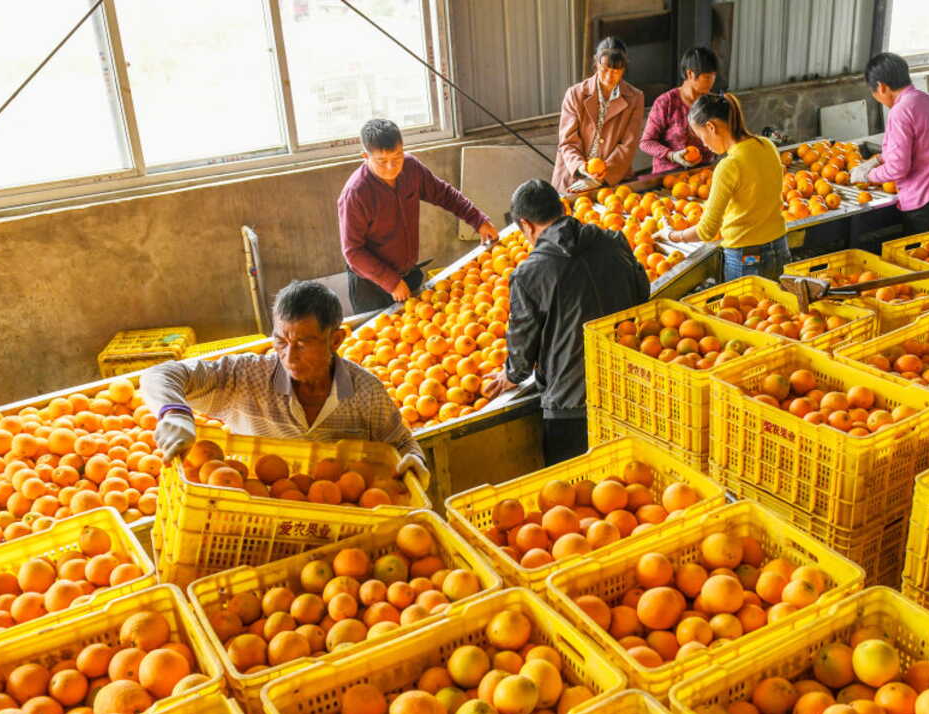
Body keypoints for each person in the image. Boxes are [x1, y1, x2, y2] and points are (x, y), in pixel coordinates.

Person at [140, 280, 428, 485]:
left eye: (303, 343)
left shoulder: (366, 392)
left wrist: (414, 462)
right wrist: (174, 413)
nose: (289, 357)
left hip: (338, 517)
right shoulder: (246, 377)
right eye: (280, 341)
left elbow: (401, 443)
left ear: (336, 340)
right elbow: (159, 375)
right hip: (255, 516)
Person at [483, 179, 648, 465]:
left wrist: (511, 375)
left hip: (572, 402)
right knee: (630, 477)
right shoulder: (614, 241)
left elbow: (523, 338)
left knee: (574, 486)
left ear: (526, 225)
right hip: (631, 385)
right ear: (563, 208)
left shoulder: (529, 273)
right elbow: (642, 293)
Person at [338, 118, 499, 313]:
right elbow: (353, 251)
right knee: (385, 330)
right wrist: (391, 281)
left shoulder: (411, 168)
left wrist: (478, 220)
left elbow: (444, 194)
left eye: (397, 156)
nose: (391, 167)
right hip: (371, 285)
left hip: (407, 273)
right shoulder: (356, 194)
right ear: (365, 156)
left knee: (418, 324)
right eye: (382, 161)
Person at [659, 93, 789, 280]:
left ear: (711, 127)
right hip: (780, 247)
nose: (704, 145)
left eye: (701, 136)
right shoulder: (767, 145)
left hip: (747, 258)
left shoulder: (729, 166)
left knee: (745, 301)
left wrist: (672, 235)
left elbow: (706, 231)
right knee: (777, 299)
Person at [850, 52, 929, 232]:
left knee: (926, 251)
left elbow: (898, 168)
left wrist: (867, 176)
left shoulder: (900, 111)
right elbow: (922, 147)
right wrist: (877, 160)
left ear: (881, 87)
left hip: (927, 206)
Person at [553, 38, 645, 194]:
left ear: (624, 69)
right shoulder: (575, 94)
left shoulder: (635, 98)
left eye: (615, 71)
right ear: (596, 63)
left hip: (613, 178)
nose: (609, 77)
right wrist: (581, 168)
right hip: (573, 177)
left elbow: (628, 145)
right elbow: (568, 142)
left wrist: (602, 176)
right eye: (604, 69)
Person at [640, 46, 719, 175]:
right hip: (669, 176)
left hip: (703, 175)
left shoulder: (712, 102)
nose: (712, 82)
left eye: (714, 76)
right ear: (690, 74)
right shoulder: (666, 102)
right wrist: (672, 155)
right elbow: (646, 143)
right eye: (707, 77)